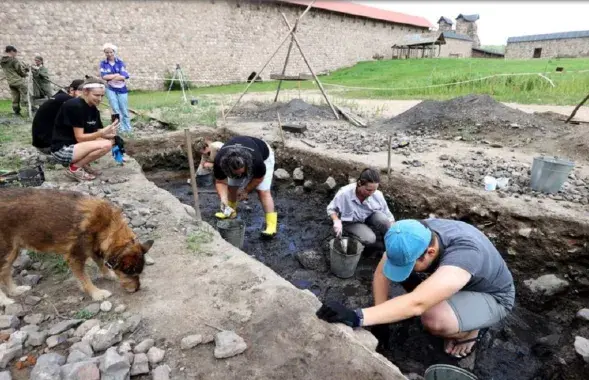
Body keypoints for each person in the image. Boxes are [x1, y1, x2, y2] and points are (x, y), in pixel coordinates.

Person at [316, 218, 516, 359]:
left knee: (433, 319)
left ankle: (472, 331)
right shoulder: (411, 233)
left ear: (430, 252)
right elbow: (381, 272)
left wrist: (357, 316)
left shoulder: (465, 254)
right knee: (408, 277)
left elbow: (417, 303)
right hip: (457, 280)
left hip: (493, 296)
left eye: (412, 264)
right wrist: (380, 322)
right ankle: (452, 305)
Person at [50, 78, 119, 182]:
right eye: (96, 95)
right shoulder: (75, 106)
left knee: (111, 141)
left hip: (76, 145)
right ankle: (74, 168)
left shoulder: (93, 108)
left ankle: (83, 164)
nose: (100, 99)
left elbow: (97, 133)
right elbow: (81, 137)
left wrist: (110, 133)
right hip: (63, 149)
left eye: (102, 95)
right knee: (106, 144)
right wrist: (101, 133)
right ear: (85, 92)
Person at [213, 136, 277, 238]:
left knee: (263, 191)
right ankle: (230, 211)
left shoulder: (257, 161)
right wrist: (223, 199)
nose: (240, 176)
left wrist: (246, 190)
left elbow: (259, 178)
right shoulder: (220, 161)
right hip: (237, 156)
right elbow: (220, 182)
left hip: (264, 154)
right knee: (232, 187)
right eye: (236, 174)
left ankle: (271, 226)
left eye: (241, 173)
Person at [326, 168, 395, 248]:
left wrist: (394, 228)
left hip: (368, 216)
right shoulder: (344, 193)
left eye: (374, 190)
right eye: (368, 190)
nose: (371, 193)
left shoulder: (377, 195)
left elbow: (388, 214)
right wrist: (336, 220)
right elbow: (331, 209)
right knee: (370, 239)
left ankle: (389, 243)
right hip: (351, 221)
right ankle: (351, 236)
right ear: (359, 183)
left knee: (384, 220)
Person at [32, 79, 84, 154]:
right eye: (82, 92)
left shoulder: (60, 96)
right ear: (72, 90)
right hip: (48, 146)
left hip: (41, 142)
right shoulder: (68, 101)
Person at [99, 43, 131, 133]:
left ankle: (128, 128)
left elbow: (124, 76)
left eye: (111, 52)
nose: (109, 54)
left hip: (122, 89)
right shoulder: (103, 63)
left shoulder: (120, 62)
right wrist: (116, 75)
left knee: (124, 108)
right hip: (110, 88)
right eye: (107, 52)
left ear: (114, 52)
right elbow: (104, 76)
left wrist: (112, 76)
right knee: (115, 109)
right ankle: (119, 128)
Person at [0, 45, 29, 116]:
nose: (15, 55)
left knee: (15, 97)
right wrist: (25, 73)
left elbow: (10, 70)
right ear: (12, 51)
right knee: (25, 93)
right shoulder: (14, 60)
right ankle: (29, 109)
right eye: (15, 53)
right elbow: (19, 70)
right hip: (18, 81)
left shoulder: (2, 61)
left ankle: (16, 111)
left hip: (10, 82)